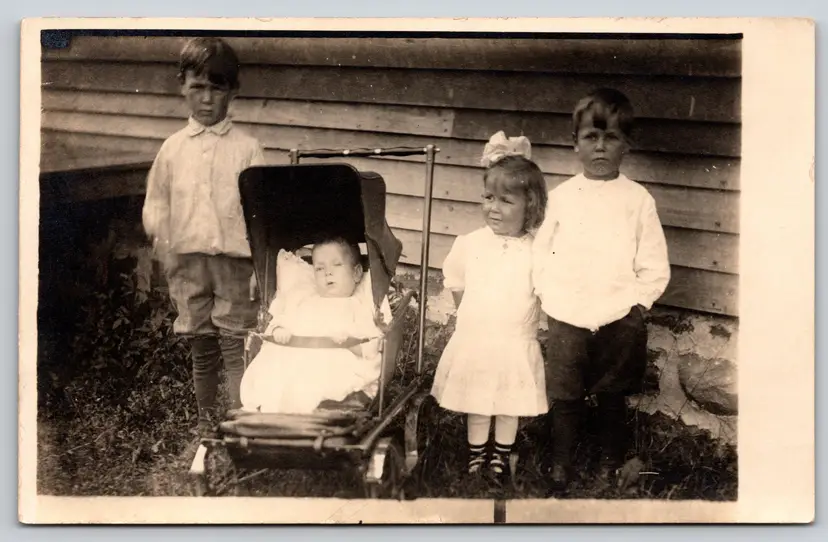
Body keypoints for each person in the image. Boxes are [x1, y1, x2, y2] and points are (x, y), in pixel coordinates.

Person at [532, 88, 671, 492]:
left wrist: (637, 305)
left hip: (618, 314)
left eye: (610, 138)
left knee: (612, 392)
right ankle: (561, 462)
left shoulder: (637, 200)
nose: (600, 147)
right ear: (574, 143)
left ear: (626, 144)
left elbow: (653, 262)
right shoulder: (560, 198)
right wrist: (550, 297)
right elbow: (541, 253)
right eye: (591, 137)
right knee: (566, 392)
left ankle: (610, 460)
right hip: (567, 313)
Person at [141, 37, 266, 438]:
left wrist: (258, 265)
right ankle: (205, 428)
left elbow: (261, 213)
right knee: (201, 347)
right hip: (188, 264)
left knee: (235, 347)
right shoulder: (172, 150)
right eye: (198, 87)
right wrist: (164, 248)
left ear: (233, 91)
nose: (207, 99)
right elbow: (156, 205)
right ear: (182, 86)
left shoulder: (247, 149)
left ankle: (240, 426)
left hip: (234, 264)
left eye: (217, 88)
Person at [430, 131, 549, 485]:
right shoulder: (471, 244)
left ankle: (501, 454)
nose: (493, 208)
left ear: (530, 206)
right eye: (488, 198)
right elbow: (456, 283)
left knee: (508, 401)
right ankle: (476, 454)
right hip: (478, 338)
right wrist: (472, 321)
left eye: (505, 201)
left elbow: (543, 290)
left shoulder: (537, 249)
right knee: (479, 399)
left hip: (515, 339)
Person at [239, 239, 391, 414]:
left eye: (336, 265)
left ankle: (291, 412)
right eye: (319, 268)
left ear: (356, 273)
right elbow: (285, 319)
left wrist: (350, 343)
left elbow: (371, 344)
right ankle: (269, 407)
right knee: (277, 366)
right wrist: (280, 330)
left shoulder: (357, 306)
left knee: (311, 379)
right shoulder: (306, 301)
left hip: (334, 361)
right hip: (300, 355)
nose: (328, 273)